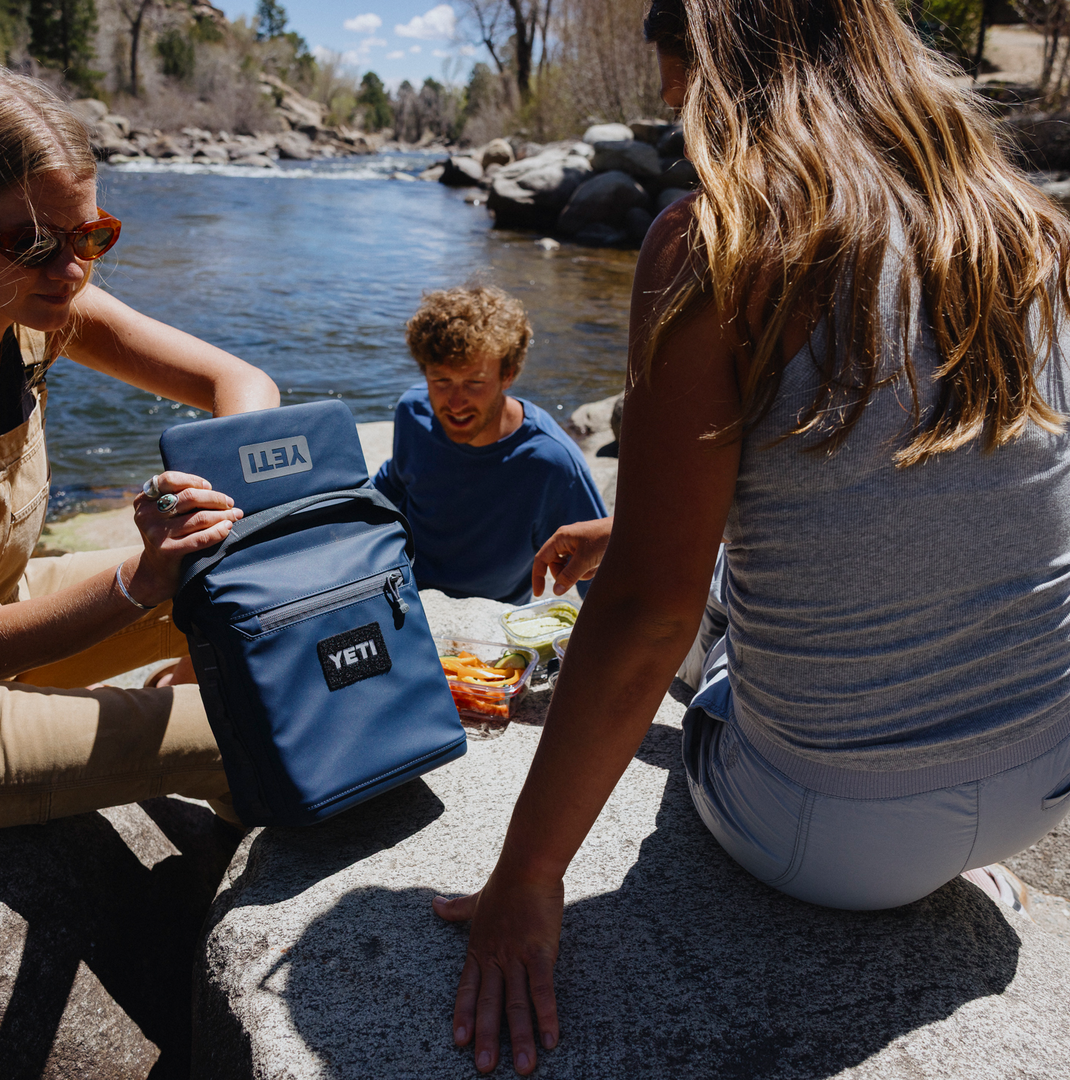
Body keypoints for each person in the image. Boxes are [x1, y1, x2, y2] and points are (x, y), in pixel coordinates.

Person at [430, 0, 1070, 1073]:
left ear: (724, 61)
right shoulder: (1020, 221)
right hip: (1041, 786)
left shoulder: (719, 244)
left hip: (828, 838)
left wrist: (527, 877)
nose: (675, 104)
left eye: (679, 71)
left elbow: (649, 611)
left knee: (690, 640)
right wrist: (636, 526)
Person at [0, 65, 281, 829]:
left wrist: (208, 494)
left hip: (10, 613)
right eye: (35, 242)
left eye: (91, 235)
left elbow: (240, 382)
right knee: (263, 727)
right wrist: (143, 578)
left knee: (256, 584)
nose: (73, 269)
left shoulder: (35, 302)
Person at [372, 284, 606, 604]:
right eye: (441, 380)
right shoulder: (412, 412)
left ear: (508, 375)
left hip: (489, 622)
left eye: (475, 382)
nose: (455, 402)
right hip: (405, 596)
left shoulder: (552, 462)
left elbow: (602, 575)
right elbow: (393, 483)